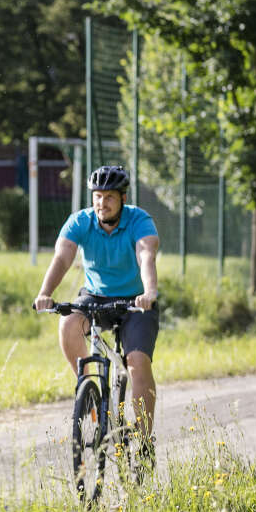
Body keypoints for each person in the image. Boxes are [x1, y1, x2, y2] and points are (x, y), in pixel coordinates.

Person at [33, 164, 160, 464]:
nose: (102, 203)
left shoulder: (139, 220)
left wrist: (149, 292)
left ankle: (143, 442)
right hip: (95, 295)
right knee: (68, 323)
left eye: (109, 197)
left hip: (134, 300)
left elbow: (146, 255)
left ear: (123, 198)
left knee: (137, 364)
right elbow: (63, 257)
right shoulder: (80, 221)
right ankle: (90, 394)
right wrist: (44, 292)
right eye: (97, 196)